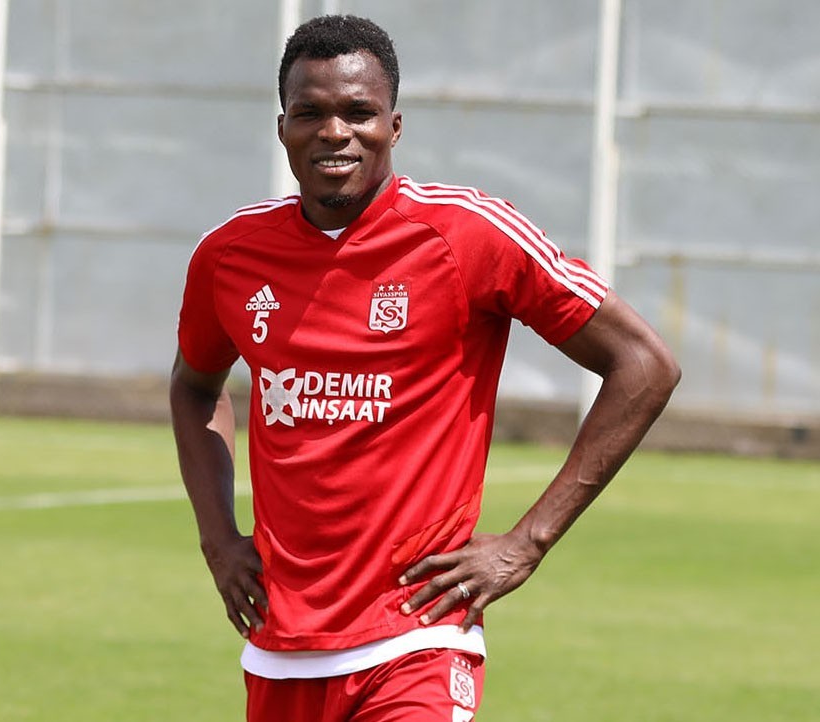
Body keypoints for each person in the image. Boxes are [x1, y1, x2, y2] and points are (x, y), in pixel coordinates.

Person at [170, 13, 680, 722]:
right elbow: (195, 386)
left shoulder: (467, 234)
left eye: (359, 112)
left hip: (420, 637)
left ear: (394, 126)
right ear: (282, 127)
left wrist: (527, 542)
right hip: (281, 644)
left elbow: (643, 364)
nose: (335, 132)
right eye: (310, 113)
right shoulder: (230, 253)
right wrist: (218, 540)